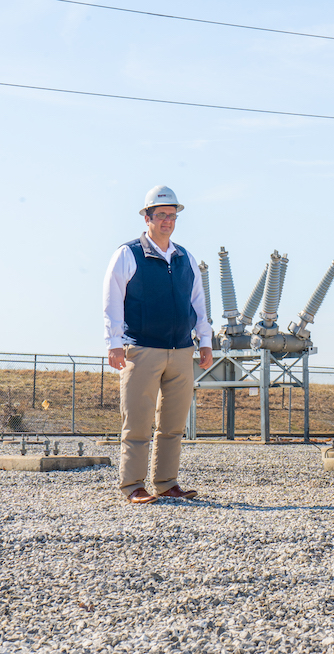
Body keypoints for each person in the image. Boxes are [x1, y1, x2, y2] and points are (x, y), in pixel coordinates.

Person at [102, 185, 213, 504]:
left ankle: (166, 482)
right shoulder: (128, 254)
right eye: (161, 215)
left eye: (172, 215)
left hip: (181, 350)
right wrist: (114, 342)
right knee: (137, 420)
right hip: (141, 349)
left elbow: (198, 302)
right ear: (147, 217)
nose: (167, 221)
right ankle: (133, 485)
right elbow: (113, 300)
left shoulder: (185, 258)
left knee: (173, 423)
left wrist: (204, 341)